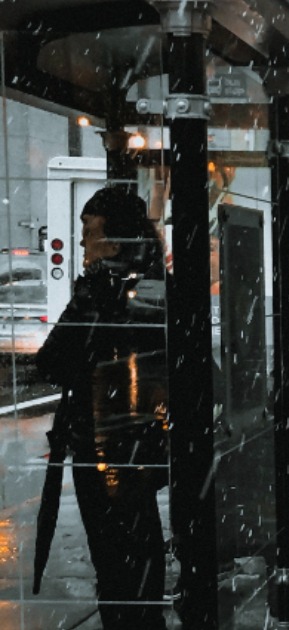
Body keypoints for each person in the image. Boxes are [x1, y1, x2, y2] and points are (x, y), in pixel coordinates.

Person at [36, 186, 169, 629]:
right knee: (141, 544)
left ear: (113, 242)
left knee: (112, 559)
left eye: (88, 232)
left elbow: (51, 360)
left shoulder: (100, 290)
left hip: (100, 441)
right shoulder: (154, 287)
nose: (81, 243)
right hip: (142, 440)